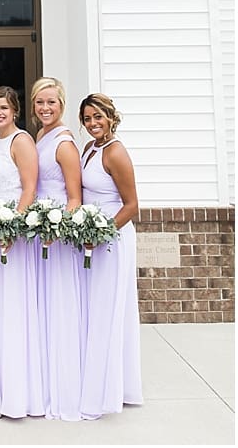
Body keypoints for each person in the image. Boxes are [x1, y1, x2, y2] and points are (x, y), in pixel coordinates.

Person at [77, 93, 143, 418]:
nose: (92, 124)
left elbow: (131, 205)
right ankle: (101, 379)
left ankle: (110, 389)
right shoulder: (90, 148)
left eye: (98, 117)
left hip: (112, 239)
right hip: (92, 236)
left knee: (109, 308)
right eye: (87, 119)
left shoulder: (116, 152)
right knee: (96, 309)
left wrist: (100, 234)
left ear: (111, 117)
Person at [0, 85, 44, 418]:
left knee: (14, 304)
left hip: (13, 233)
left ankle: (19, 390)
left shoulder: (22, 141)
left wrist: (13, 227)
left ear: (15, 110)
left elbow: (30, 187)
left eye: (4, 107)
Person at [31, 76, 85, 421]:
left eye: (51, 102)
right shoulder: (39, 136)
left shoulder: (65, 144)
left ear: (62, 103)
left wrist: (58, 230)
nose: (45, 108)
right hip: (38, 225)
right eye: (40, 102)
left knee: (58, 303)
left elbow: (75, 197)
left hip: (56, 233)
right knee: (43, 304)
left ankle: (63, 383)